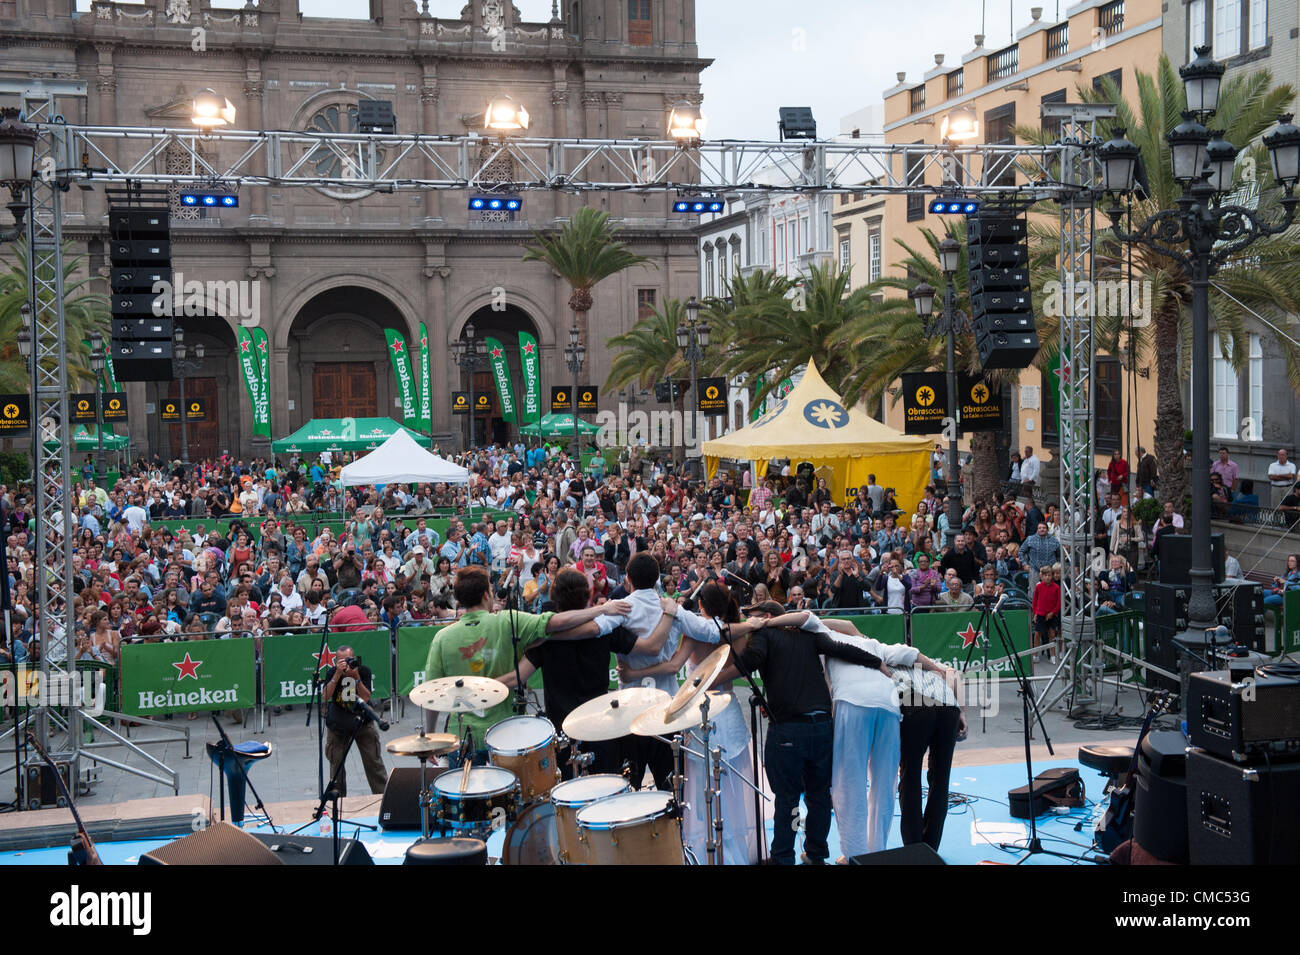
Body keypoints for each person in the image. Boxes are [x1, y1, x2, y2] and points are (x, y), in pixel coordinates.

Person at [707, 602, 888, 865]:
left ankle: (783, 858)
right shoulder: (808, 635)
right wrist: (876, 661)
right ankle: (815, 854)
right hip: (822, 727)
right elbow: (841, 648)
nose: (750, 625)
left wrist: (712, 676)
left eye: (754, 618)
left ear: (768, 617)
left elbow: (750, 660)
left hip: (789, 730)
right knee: (819, 796)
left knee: (788, 799)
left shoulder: (764, 635)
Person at [422, 567, 629, 756]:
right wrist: (602, 609)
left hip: (460, 736)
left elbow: (431, 695)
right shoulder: (507, 621)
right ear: (486, 594)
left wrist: (430, 738)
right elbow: (556, 623)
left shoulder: (442, 637)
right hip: (504, 733)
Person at [497, 568, 676, 777]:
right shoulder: (605, 628)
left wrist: (481, 686)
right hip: (601, 730)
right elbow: (651, 647)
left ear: (554, 596)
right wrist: (671, 613)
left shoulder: (545, 637)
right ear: (587, 594)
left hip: (562, 732)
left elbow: (516, 677)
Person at [320, 645, 389, 796]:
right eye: (342, 661)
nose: (346, 664)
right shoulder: (332, 672)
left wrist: (356, 677)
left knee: (374, 762)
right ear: (336, 662)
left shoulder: (363, 671)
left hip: (362, 722)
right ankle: (337, 801)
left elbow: (365, 697)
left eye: (349, 660)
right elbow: (325, 696)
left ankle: (382, 797)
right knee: (336, 766)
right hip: (338, 724)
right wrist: (337, 675)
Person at [1031, 565, 1061, 663]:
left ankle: (1053, 656)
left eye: (1049, 575)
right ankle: (1035, 655)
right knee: (1037, 635)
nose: (1047, 577)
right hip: (1040, 614)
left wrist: (1053, 613)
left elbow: (1059, 603)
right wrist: (1035, 613)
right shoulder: (1039, 587)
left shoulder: (1056, 587)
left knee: (1052, 634)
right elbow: (1035, 601)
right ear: (1041, 576)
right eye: (1045, 575)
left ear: (1052, 576)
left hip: (1052, 615)